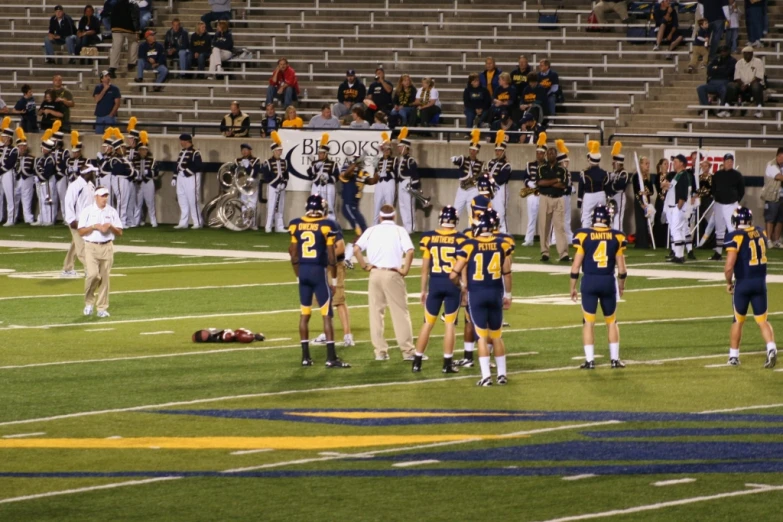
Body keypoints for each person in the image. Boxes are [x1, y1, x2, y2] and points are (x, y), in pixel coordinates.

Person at [450, 211, 514, 386]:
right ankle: (502, 375)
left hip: (477, 294)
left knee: (482, 337)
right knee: (497, 336)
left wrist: (461, 285)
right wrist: (508, 295)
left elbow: (453, 273)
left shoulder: (469, 245)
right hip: (495, 293)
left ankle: (486, 376)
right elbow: (507, 273)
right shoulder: (502, 244)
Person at [288, 195, 350, 368]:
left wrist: (298, 275)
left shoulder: (296, 223)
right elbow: (331, 256)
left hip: (304, 272)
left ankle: (305, 357)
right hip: (318, 271)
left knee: (304, 314)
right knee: (326, 315)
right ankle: (331, 358)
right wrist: (335, 279)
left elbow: (293, 253)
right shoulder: (327, 225)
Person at [353, 204, 416, 361]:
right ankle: (407, 351)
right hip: (392, 274)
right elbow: (410, 251)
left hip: (375, 274)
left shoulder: (371, 230)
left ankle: (380, 351)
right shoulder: (399, 230)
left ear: (380, 217)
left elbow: (356, 249)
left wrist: (364, 265)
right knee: (400, 313)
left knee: (376, 313)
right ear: (394, 217)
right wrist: (405, 270)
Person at [570, 205, 628, 370]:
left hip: (589, 281)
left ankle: (590, 361)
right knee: (611, 321)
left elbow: (575, 266)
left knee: (588, 322)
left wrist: (572, 286)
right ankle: (614, 360)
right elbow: (622, 269)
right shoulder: (617, 236)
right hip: (608, 281)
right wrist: (621, 285)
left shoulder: (583, 235)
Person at [413, 206, 464, 374]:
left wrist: (422, 290)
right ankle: (447, 363)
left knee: (427, 323)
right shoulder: (461, 239)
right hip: (452, 284)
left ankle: (417, 362)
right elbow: (462, 266)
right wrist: (464, 287)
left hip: (435, 283)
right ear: (455, 221)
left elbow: (424, 268)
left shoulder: (429, 237)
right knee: (449, 324)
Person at [724, 206, 777, 368]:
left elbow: (729, 266)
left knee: (738, 320)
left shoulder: (735, 236)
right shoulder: (761, 232)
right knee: (762, 320)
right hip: (760, 282)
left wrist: (728, 282)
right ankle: (771, 347)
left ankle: (733, 356)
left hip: (744, 282)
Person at [78, 186, 122, 318]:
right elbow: (80, 231)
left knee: (104, 279)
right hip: (91, 246)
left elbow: (120, 232)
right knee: (92, 275)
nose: (105, 198)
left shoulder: (112, 211)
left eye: (106, 195)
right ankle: (89, 302)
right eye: (102, 196)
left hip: (107, 247)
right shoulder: (87, 211)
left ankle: (102, 307)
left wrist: (110, 226)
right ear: (96, 197)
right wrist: (94, 226)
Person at [62, 162, 96, 277]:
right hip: (77, 221)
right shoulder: (75, 186)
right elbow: (69, 203)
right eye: (92, 172)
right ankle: (90, 269)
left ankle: (67, 268)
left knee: (75, 245)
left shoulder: (90, 185)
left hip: (88, 221)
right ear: (87, 173)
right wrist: (71, 220)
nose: (94, 174)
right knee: (82, 246)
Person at [537, 140, 570, 263]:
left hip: (558, 199)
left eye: (553, 153)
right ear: (546, 155)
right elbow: (540, 183)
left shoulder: (563, 170)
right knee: (544, 226)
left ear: (556, 155)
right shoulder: (541, 168)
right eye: (549, 153)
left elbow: (563, 185)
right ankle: (545, 252)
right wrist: (555, 180)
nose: (551, 155)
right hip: (545, 197)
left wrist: (548, 182)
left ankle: (563, 253)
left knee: (559, 227)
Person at [707, 153, 745, 260]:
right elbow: (713, 189)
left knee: (732, 228)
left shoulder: (737, 175)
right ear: (723, 162)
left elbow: (741, 190)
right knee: (719, 229)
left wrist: (735, 200)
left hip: (731, 205)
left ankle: (735, 252)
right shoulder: (717, 175)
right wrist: (716, 197)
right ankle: (718, 253)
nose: (729, 163)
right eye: (727, 161)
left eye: (731, 161)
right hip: (719, 204)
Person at [451, 130, 484, 224]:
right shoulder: (463, 159)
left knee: (472, 212)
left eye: (474, 150)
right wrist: (455, 159)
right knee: (456, 211)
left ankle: (471, 232)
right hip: (462, 189)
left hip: (473, 190)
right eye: (471, 150)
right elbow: (456, 161)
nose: (472, 152)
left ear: (477, 151)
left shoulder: (481, 163)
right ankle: (451, 230)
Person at [665, 154, 693, 263]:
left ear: (682, 163)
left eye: (676, 161)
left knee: (676, 229)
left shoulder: (683, 175)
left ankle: (679, 255)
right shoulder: (678, 175)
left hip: (679, 206)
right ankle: (679, 254)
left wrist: (678, 207)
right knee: (678, 230)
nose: (674, 164)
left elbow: (682, 192)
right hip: (677, 205)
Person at [339, 154, 376, 235]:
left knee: (363, 226)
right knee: (358, 227)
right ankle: (355, 245)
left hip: (355, 206)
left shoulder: (363, 173)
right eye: (358, 161)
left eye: (360, 162)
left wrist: (378, 170)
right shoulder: (347, 170)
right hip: (347, 205)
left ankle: (363, 243)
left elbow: (372, 181)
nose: (361, 163)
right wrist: (355, 163)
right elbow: (346, 174)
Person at [173, 133, 204, 229]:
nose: (181, 143)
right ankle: (183, 222)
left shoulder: (196, 153)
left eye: (182, 141)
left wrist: (186, 172)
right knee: (182, 199)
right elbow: (177, 165)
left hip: (191, 177)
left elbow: (198, 166)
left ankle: (197, 222)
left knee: (192, 200)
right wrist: (175, 177)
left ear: (187, 141)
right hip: (180, 178)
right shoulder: (182, 152)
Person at [726, 46, 765, 119]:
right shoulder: (739, 63)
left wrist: (748, 84)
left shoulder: (758, 62)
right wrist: (742, 84)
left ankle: (759, 109)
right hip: (742, 84)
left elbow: (758, 77)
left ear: (752, 54)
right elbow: (737, 77)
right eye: (745, 54)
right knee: (731, 85)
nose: (747, 55)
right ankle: (727, 108)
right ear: (743, 54)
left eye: (748, 54)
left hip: (753, 84)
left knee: (756, 86)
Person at [394, 128, 421, 233]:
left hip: (408, 182)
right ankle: (406, 227)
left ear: (406, 148)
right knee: (402, 205)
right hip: (401, 183)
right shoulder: (400, 159)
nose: (399, 149)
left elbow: (415, 174)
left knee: (409, 206)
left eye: (401, 147)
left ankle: (411, 228)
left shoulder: (411, 160)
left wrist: (414, 186)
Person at [261, 132, 289, 233]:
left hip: (281, 187)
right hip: (272, 187)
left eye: (280, 150)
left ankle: (279, 226)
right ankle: (268, 226)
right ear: (273, 151)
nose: (279, 152)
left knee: (280, 206)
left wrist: (284, 183)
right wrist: (276, 184)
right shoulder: (267, 162)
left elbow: (286, 174)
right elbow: (266, 176)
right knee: (271, 206)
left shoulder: (284, 162)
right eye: (278, 150)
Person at [485, 131, 512, 233]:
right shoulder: (490, 162)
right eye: (496, 150)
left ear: (504, 151)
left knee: (501, 213)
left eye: (500, 150)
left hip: (501, 190)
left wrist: (490, 177)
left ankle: (505, 234)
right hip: (491, 191)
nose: (498, 152)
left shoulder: (507, 164)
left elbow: (501, 179)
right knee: (490, 212)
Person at [698, 45, 736, 116]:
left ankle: (722, 109)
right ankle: (707, 109)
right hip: (712, 83)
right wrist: (722, 69)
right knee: (700, 88)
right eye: (721, 52)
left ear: (728, 52)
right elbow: (709, 71)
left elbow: (728, 72)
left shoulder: (732, 61)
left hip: (724, 82)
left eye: (724, 51)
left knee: (724, 89)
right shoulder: (716, 59)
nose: (723, 53)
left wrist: (716, 69)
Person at [307, 134, 339, 221]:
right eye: (319, 153)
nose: (319, 155)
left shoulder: (333, 163)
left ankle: (331, 222)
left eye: (321, 153)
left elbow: (337, 176)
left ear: (326, 154)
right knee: (315, 204)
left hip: (328, 185)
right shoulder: (315, 163)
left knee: (330, 205)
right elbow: (309, 174)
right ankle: (316, 221)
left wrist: (328, 178)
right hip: (316, 185)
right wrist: (315, 167)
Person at [521, 135, 545, 246]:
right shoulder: (529, 164)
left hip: (544, 194)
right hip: (532, 194)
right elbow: (525, 177)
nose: (539, 155)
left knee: (545, 218)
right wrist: (529, 183)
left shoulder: (548, 166)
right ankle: (529, 239)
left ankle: (545, 240)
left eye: (541, 153)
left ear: (544, 154)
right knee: (531, 217)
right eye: (537, 153)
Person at [132, 131, 159, 227]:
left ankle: (153, 221)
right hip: (138, 183)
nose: (143, 152)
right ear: (138, 150)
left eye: (145, 150)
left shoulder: (152, 160)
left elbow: (156, 172)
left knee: (150, 202)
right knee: (137, 203)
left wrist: (148, 173)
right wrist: (137, 176)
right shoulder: (134, 160)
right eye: (141, 150)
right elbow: (133, 171)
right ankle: (136, 221)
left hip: (148, 182)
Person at [578, 141, 608, 228]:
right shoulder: (605, 173)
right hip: (602, 195)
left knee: (586, 217)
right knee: (601, 216)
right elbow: (607, 187)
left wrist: (579, 200)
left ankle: (586, 237)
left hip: (589, 196)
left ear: (590, 159)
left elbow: (581, 187)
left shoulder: (585, 173)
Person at [108, 0, 140, 80]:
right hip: (128, 28)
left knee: (116, 47)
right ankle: (131, 63)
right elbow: (134, 17)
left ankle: (112, 68)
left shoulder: (115, 5)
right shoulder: (132, 5)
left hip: (115, 27)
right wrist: (137, 30)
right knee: (134, 41)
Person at [632, 156, 657, 249]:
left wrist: (647, 192)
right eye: (646, 164)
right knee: (640, 222)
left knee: (647, 222)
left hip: (647, 201)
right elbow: (635, 192)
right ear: (641, 165)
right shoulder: (636, 176)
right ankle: (640, 243)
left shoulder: (648, 177)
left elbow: (652, 191)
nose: (648, 166)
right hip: (639, 202)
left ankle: (647, 242)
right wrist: (641, 203)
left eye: (648, 164)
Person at [233, 143, 260, 230]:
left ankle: (253, 223)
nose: (244, 152)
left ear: (250, 151)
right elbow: (236, 172)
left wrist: (248, 166)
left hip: (252, 185)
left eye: (246, 150)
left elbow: (254, 173)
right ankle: (245, 223)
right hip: (242, 185)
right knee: (243, 203)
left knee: (252, 203)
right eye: (243, 150)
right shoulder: (237, 160)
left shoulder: (256, 160)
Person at [35, 131, 58, 226]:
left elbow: (46, 173)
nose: (41, 149)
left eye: (43, 147)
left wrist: (40, 175)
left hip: (48, 181)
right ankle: (43, 219)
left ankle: (50, 219)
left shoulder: (50, 158)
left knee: (49, 199)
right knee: (42, 200)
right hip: (42, 181)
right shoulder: (43, 158)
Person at [605, 142, 629, 232]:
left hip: (620, 196)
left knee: (618, 216)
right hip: (612, 196)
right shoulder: (613, 173)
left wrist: (611, 184)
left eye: (614, 163)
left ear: (619, 163)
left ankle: (618, 234)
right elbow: (606, 186)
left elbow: (619, 186)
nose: (612, 165)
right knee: (611, 215)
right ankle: (612, 233)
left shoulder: (624, 173)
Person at [762, 148, 783, 248]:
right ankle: (768, 239)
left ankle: (777, 240)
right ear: (778, 156)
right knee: (770, 218)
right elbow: (779, 177)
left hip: (781, 196)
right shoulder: (771, 164)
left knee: (780, 219)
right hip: (772, 196)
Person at [373, 133, 396, 224]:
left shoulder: (394, 160)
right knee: (377, 204)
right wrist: (377, 174)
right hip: (379, 183)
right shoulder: (378, 160)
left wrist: (388, 173)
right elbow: (375, 172)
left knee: (389, 204)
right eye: (385, 149)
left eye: (388, 149)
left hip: (389, 182)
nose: (386, 151)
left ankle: (390, 224)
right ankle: (375, 224)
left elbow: (396, 173)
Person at [14, 130, 35, 225]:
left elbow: (33, 170)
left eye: (24, 146)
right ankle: (13, 218)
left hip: (27, 179)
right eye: (20, 146)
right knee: (14, 199)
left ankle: (28, 218)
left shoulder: (31, 157)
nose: (22, 148)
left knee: (27, 200)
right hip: (16, 180)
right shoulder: (14, 158)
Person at [0, 122, 18, 227]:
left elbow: (10, 164)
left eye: (4, 137)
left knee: (10, 196)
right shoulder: (2, 148)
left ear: (9, 138)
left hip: (8, 173)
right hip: (1, 173)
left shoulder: (14, 149)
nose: (2, 139)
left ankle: (11, 218)